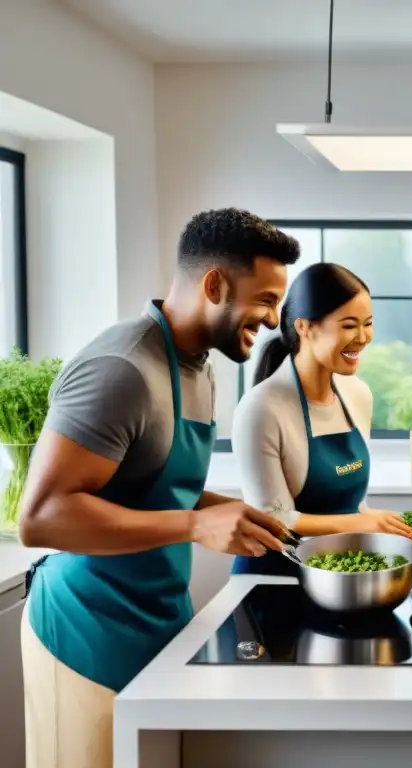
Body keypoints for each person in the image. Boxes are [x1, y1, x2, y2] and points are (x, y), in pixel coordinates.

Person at [17, 208, 298, 768]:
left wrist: (230, 512)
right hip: (84, 632)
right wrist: (197, 525)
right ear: (214, 284)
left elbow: (154, 485)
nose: (273, 320)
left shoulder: (200, 364)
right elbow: (41, 518)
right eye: (265, 300)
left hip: (157, 623)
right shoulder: (120, 368)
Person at [231, 262, 412, 577]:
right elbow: (273, 519)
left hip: (335, 574)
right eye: (348, 325)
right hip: (272, 581)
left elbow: (350, 505)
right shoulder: (261, 408)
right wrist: (360, 522)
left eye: (368, 323)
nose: (363, 337)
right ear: (305, 327)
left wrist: (377, 524)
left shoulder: (357, 394)